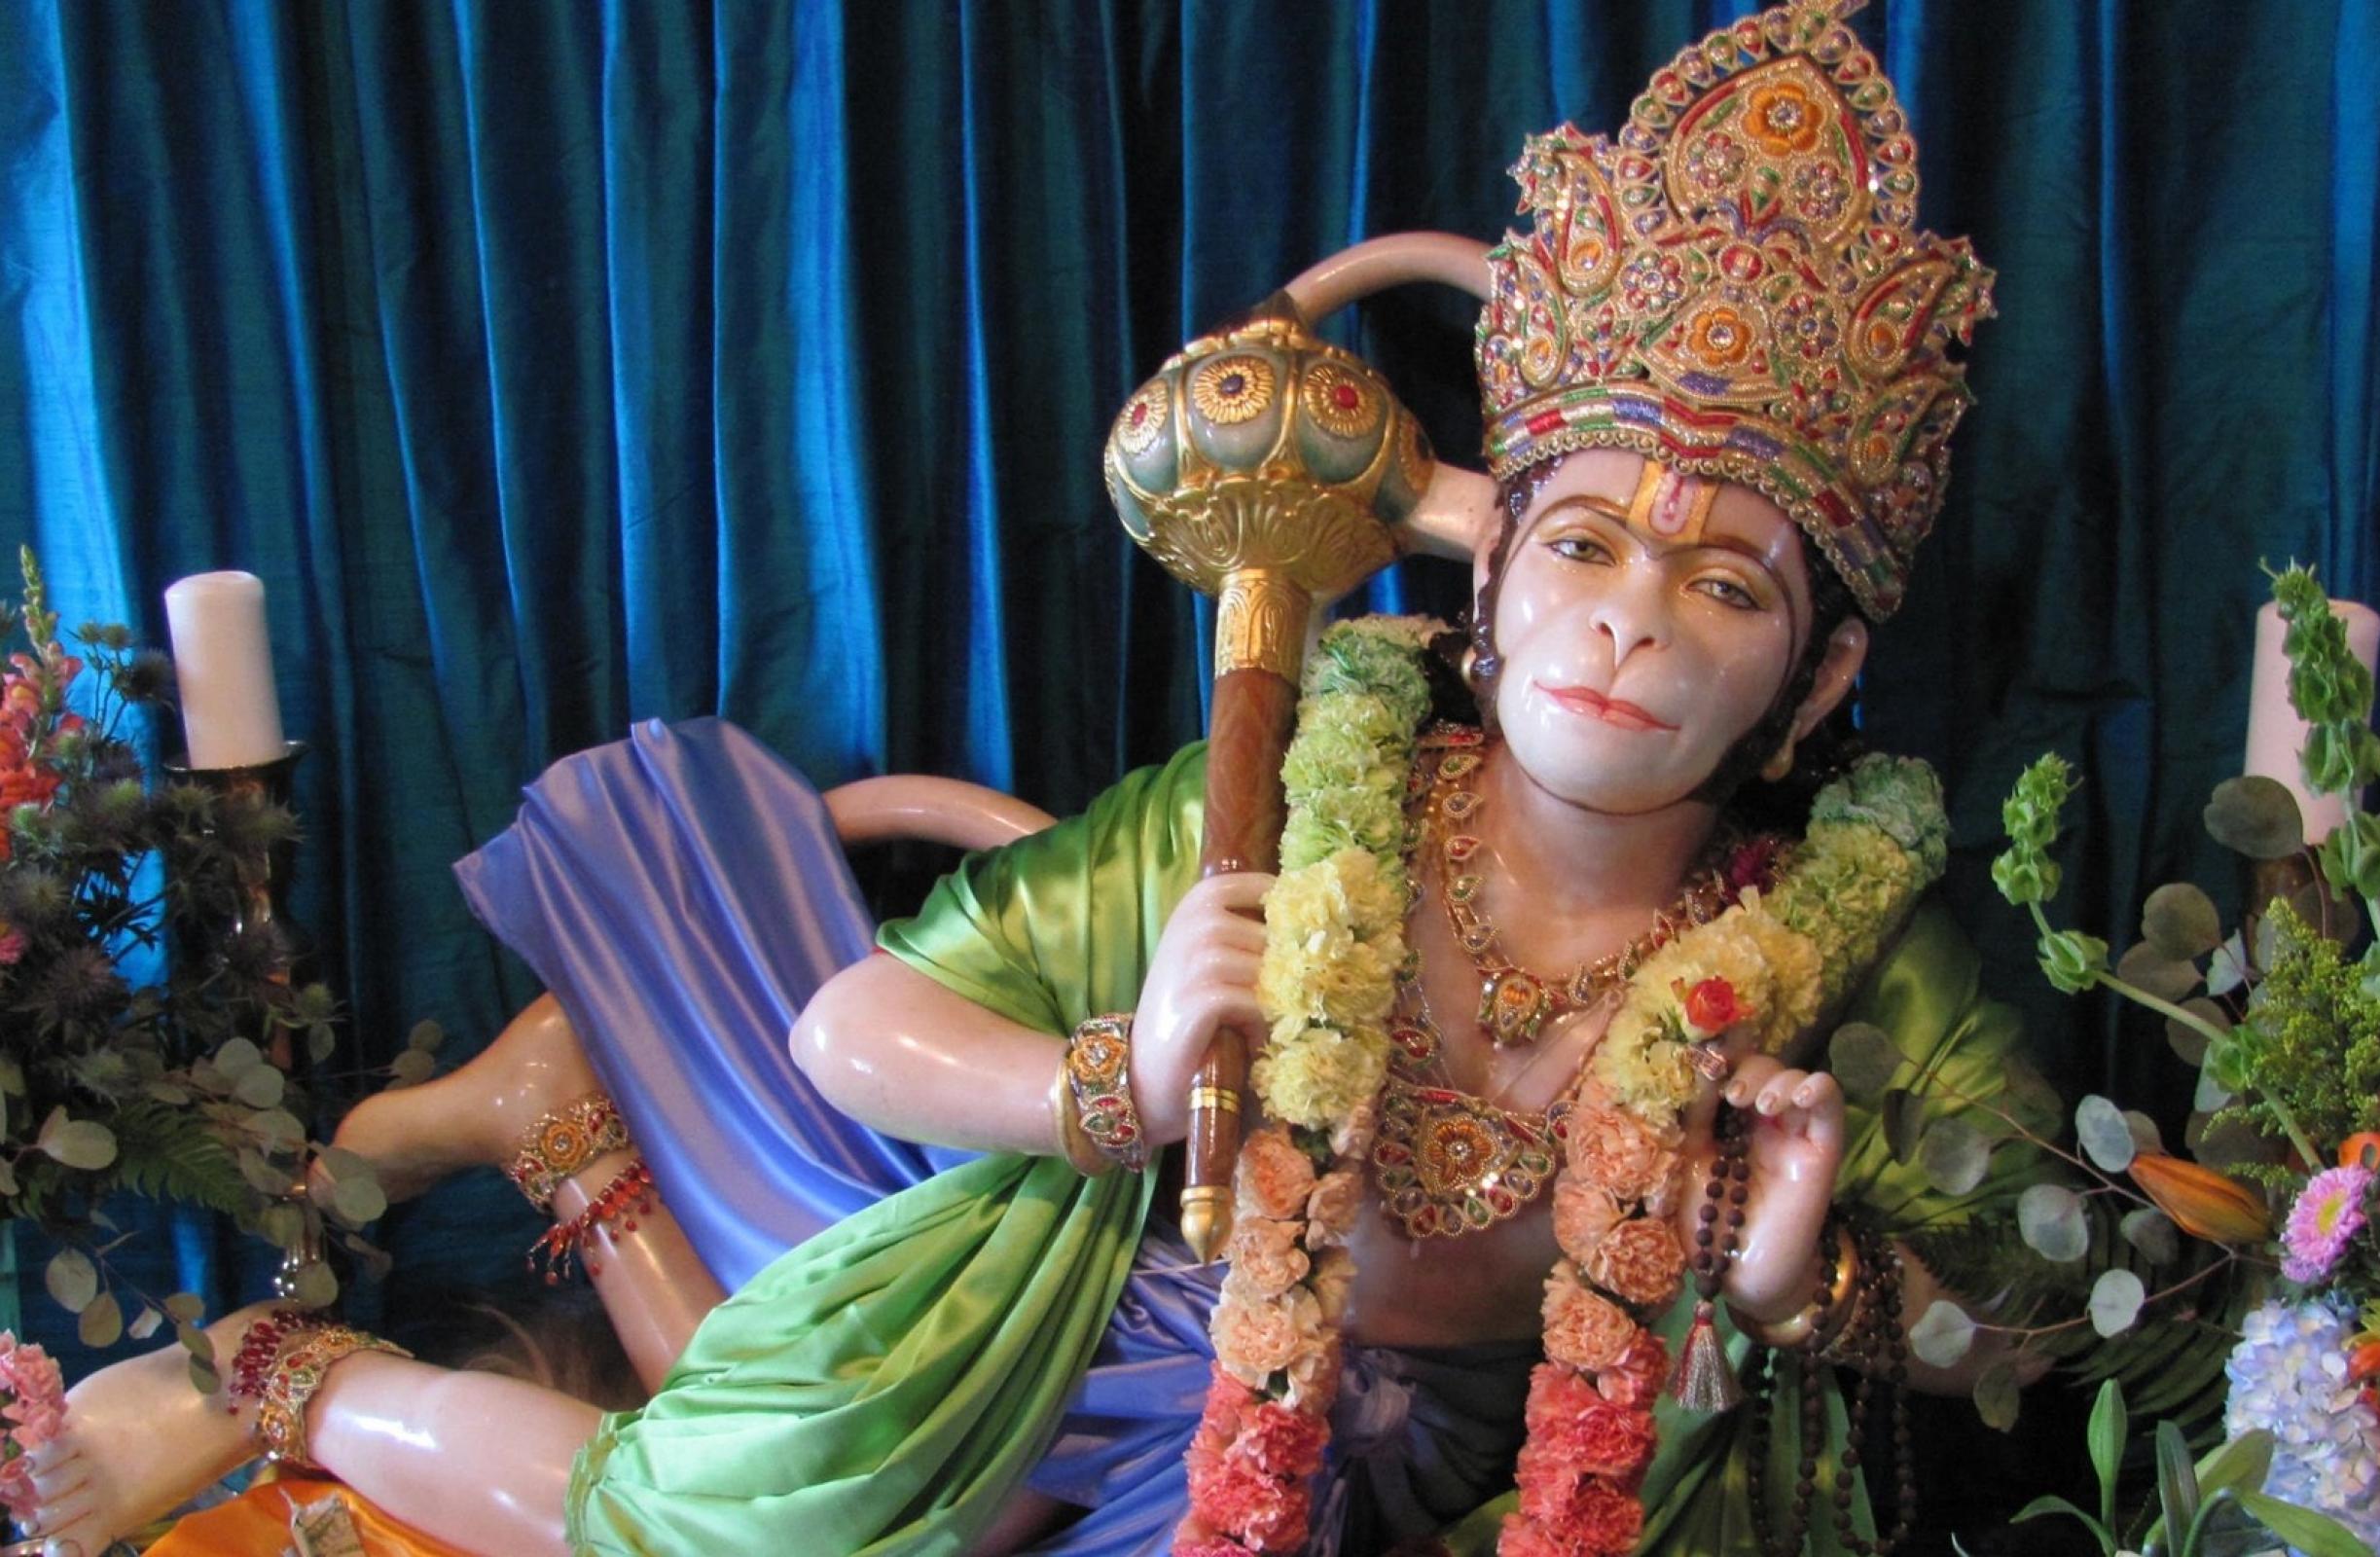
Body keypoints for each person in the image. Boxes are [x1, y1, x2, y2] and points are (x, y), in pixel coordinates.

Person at [15, 3, 2047, 1553]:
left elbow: (2040, 1336)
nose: (1631, 625)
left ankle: (573, 1143)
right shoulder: (1286, 819)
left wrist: (1803, 1282)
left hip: (1448, 1481)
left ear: (1817, 673)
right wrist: (1123, 1082)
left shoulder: (1851, 961)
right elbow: (851, 1029)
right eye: (1586, 545)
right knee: (720, 1524)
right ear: (1494, 575)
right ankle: (281, 1369)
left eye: (1725, 585)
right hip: (1110, 1330)